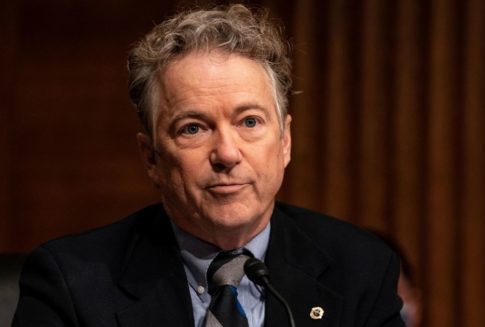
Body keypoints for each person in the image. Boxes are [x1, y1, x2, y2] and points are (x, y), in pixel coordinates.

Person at [12, 4, 404, 327]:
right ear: (151, 158)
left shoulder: (360, 271)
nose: (227, 154)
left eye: (249, 122)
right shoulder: (71, 284)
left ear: (284, 141)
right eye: (194, 128)